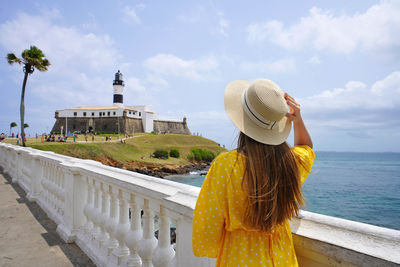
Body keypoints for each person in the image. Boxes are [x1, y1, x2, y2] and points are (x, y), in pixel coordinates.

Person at [192, 79, 315, 266]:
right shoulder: (289, 163)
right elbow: (306, 147)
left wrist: (211, 247)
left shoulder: (226, 165)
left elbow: (209, 225)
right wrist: (298, 120)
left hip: (239, 257)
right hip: (281, 257)